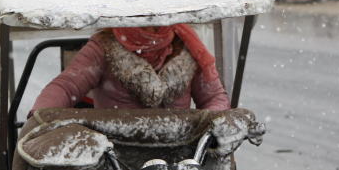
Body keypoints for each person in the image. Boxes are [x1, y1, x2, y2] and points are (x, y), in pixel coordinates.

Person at [30, 25, 231, 116]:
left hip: (180, 153)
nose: (151, 20)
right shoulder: (104, 46)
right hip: (117, 156)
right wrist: (39, 117)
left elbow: (214, 97)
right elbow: (66, 87)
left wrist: (210, 125)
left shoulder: (188, 45)